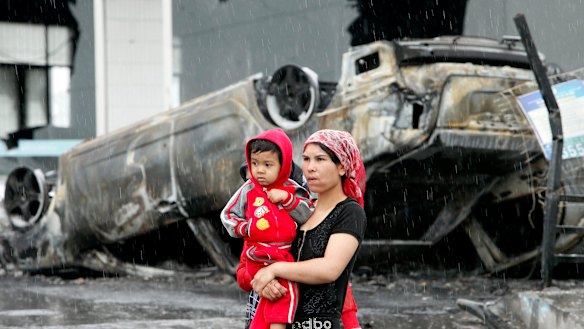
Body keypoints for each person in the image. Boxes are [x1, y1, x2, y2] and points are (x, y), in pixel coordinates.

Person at [251, 129, 367, 329]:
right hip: (280, 319)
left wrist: (275, 270)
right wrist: (266, 281)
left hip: (321, 324)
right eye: (306, 159)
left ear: (341, 167)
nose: (310, 167)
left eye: (320, 159)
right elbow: (265, 251)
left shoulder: (350, 212)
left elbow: (329, 269)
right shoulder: (299, 209)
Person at [221, 128, 313, 329]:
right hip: (259, 259)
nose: (258, 171)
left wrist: (287, 199)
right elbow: (228, 216)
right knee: (271, 307)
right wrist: (247, 228)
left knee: (281, 301)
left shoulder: (293, 190)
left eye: (266, 165)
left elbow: (307, 213)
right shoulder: (249, 193)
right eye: (254, 164)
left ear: (283, 166)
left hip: (285, 262)